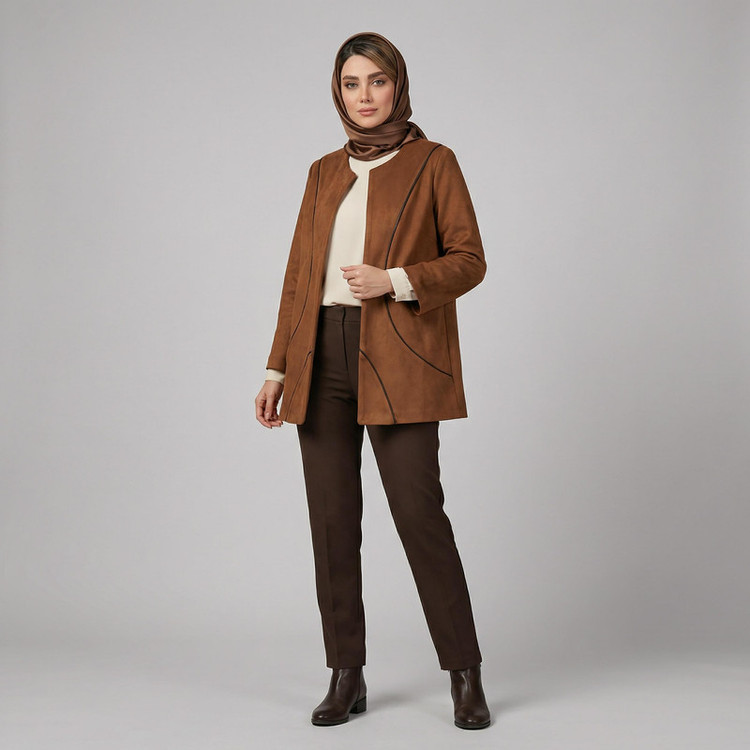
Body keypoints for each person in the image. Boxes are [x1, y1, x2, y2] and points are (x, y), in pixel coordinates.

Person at [254, 31, 490, 730]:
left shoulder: (434, 162)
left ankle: (465, 674)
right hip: (320, 355)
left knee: (419, 516)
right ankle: (346, 674)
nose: (364, 96)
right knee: (332, 522)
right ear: (338, 91)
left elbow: (470, 260)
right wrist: (276, 366)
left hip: (400, 354)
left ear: (398, 86)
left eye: (377, 81)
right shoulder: (323, 172)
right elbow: (300, 278)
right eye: (351, 83)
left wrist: (397, 280)